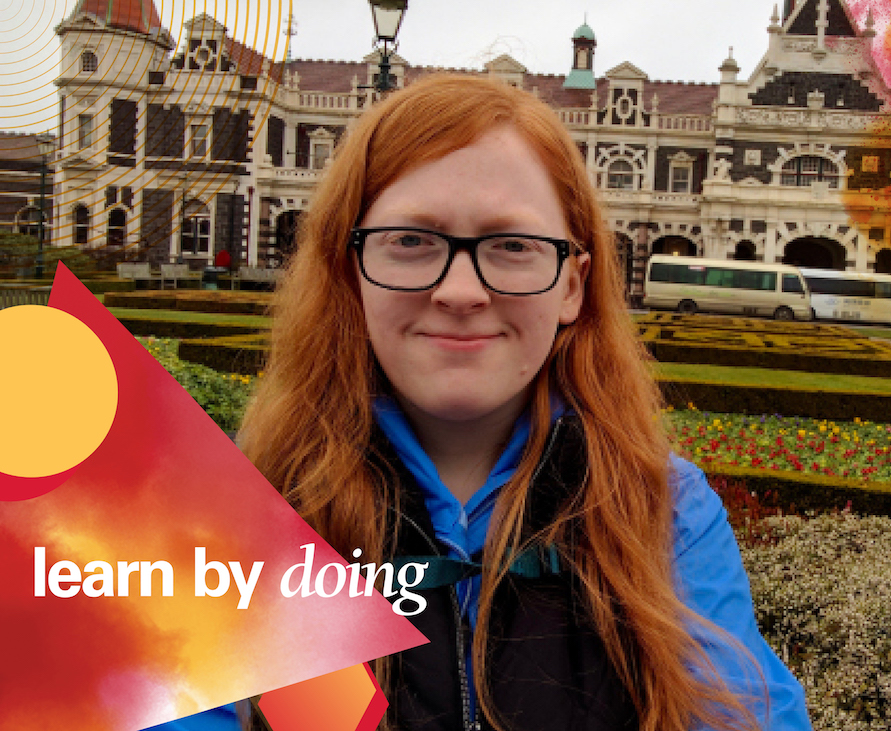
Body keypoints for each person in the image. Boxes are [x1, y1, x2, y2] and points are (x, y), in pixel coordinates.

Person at [158, 75, 812, 731]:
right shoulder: (239, 517)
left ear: (572, 286)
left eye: (513, 245)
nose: (462, 290)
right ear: (350, 268)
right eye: (412, 240)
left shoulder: (666, 511)